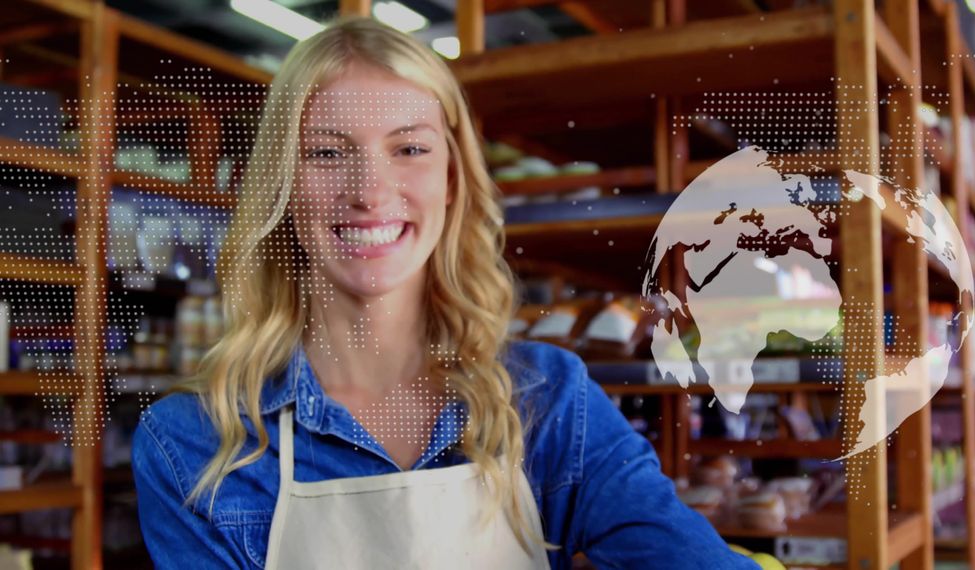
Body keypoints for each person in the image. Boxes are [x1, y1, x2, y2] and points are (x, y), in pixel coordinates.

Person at [132, 16, 757, 570]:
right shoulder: (196, 442)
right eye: (326, 152)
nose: (370, 190)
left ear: (453, 179)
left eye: (409, 148)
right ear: (282, 185)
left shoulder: (548, 405)